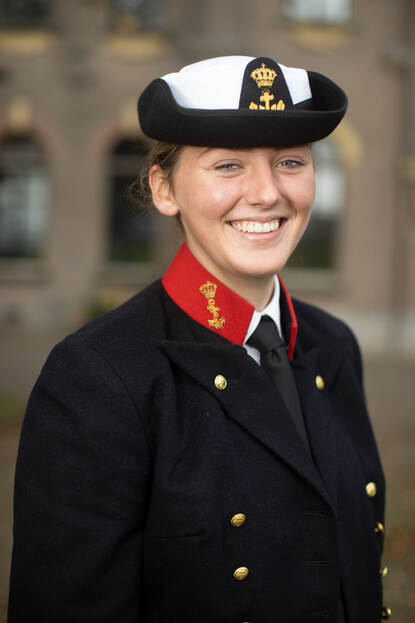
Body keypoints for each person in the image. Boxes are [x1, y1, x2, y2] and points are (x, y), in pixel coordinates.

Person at [8, 56, 388, 622]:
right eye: (228, 165)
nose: (267, 193)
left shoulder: (333, 346)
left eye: (290, 161)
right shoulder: (96, 376)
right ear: (164, 189)